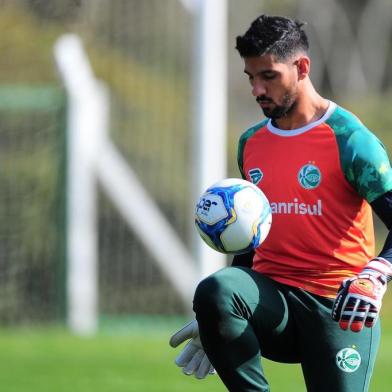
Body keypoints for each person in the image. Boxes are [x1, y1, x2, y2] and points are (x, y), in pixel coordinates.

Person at [169, 14, 392, 391]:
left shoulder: (351, 141)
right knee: (216, 289)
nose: (257, 89)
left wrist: (376, 273)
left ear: (301, 67)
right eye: (250, 77)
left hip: (337, 309)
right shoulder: (252, 143)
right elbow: (246, 241)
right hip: (273, 306)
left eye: (268, 76)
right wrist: (217, 319)